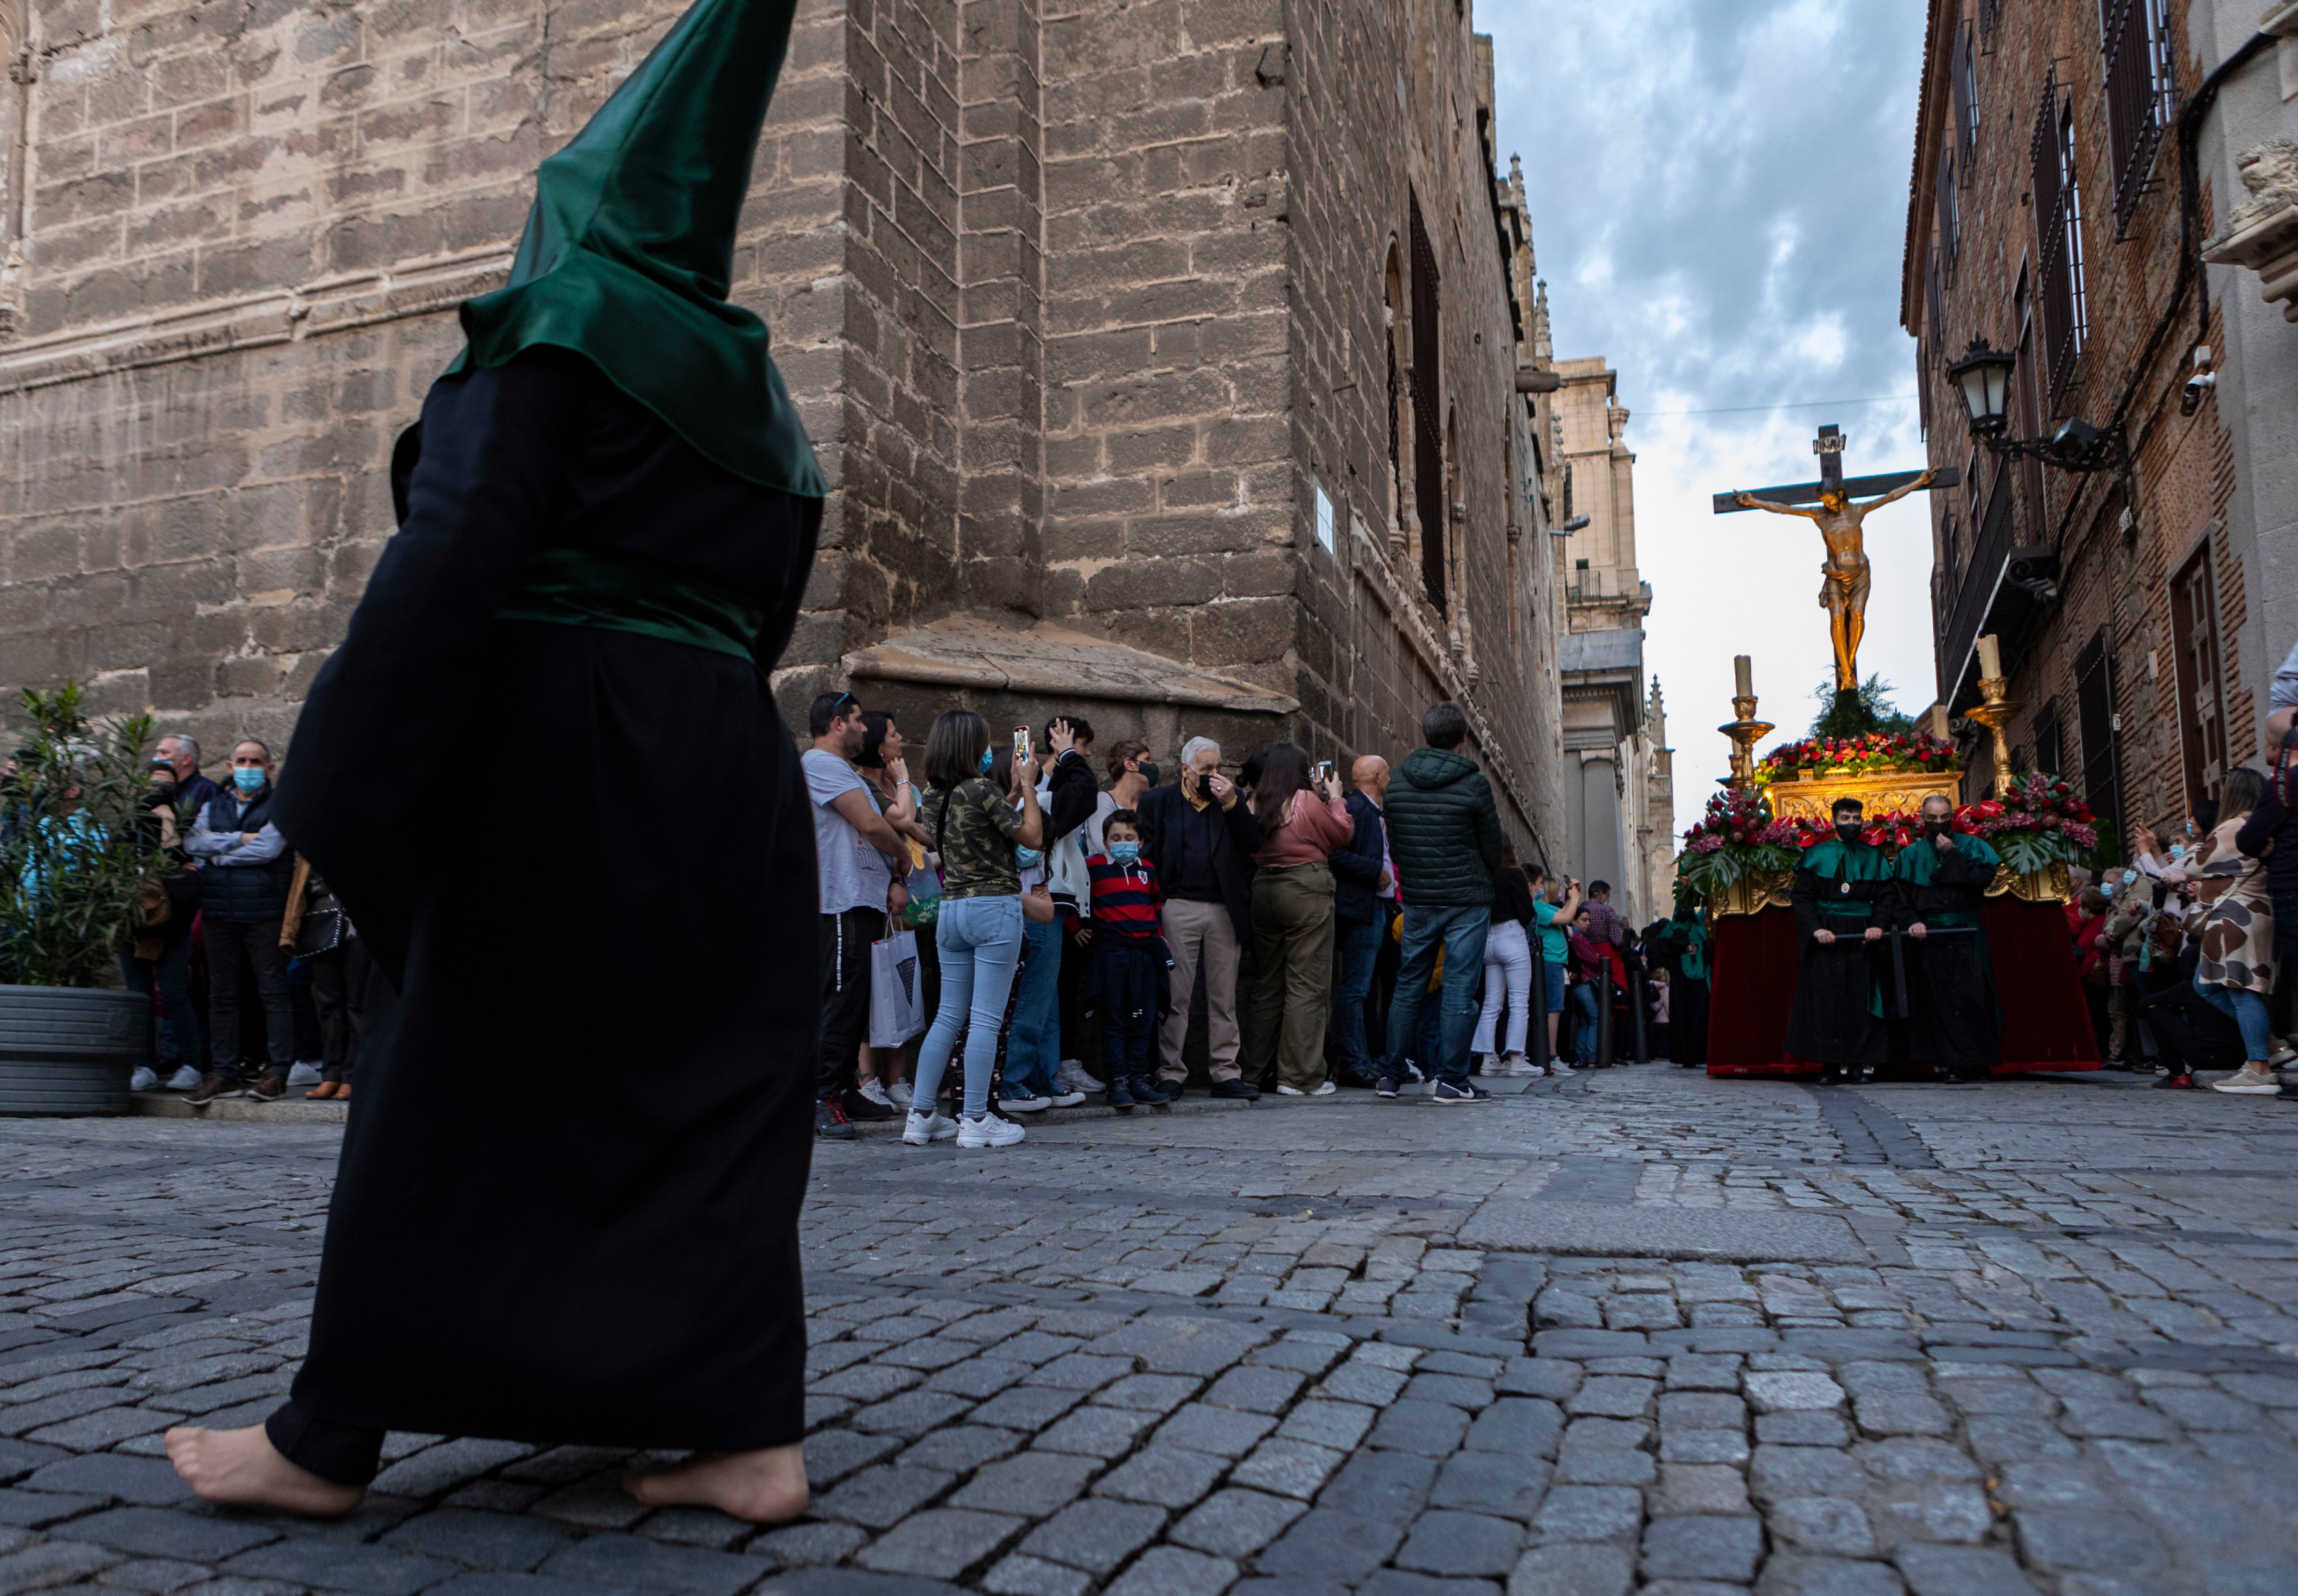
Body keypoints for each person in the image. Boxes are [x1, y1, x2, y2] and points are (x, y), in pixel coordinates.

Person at [163, 0, 825, 1526]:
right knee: (704, 1093)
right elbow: (765, 614)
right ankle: (741, 1430)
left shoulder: (554, 334)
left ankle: (326, 1435)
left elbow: (451, 556)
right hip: (725, 765)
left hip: (552, 761)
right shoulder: (767, 411)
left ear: (572, 215)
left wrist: (343, 776)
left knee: (441, 1070)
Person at [911, 710, 1046, 1145]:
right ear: (973, 746)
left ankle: (921, 1116)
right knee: (985, 1019)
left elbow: (976, 825)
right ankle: (974, 1120)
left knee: (948, 1017)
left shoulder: (932, 795)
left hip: (951, 910)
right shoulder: (981, 788)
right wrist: (1027, 784)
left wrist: (1008, 790)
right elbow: (1031, 837)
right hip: (993, 908)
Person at [1376, 703, 1503, 1103]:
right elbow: (1492, 845)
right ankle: (1451, 1078)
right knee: (1459, 987)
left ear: (1425, 734)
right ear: (1463, 740)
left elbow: (1395, 843)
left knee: (1410, 981)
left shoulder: (1396, 785)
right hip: (1467, 897)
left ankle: (1391, 1073)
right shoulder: (1474, 784)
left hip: (1419, 897)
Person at [805, 691, 914, 1139]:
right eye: (856, 720)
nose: (864, 728)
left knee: (856, 1003)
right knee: (840, 999)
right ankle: (820, 1096)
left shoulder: (841, 769)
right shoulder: (820, 764)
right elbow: (871, 825)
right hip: (840, 901)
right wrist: (902, 857)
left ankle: (845, 1087)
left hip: (862, 899)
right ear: (836, 724)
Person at [1137, 737, 1261, 1099]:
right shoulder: (1159, 802)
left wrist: (1233, 803)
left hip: (1224, 908)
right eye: (1206, 769)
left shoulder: (1231, 803)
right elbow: (1148, 853)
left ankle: (1225, 1072)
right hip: (1178, 905)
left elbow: (1254, 844)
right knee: (1176, 995)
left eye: (1219, 768)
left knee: (1224, 996)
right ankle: (1171, 1072)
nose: (1214, 775)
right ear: (1186, 770)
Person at [182, 741, 298, 1105]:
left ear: (270, 768)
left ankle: (278, 1071)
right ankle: (225, 1072)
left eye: (257, 762)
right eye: (242, 761)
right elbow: (193, 844)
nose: (249, 767)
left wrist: (221, 854)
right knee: (221, 996)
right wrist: (239, 839)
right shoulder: (211, 806)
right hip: (220, 912)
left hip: (265, 911)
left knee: (273, 992)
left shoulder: (282, 805)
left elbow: (270, 849)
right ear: (230, 766)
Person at [1242, 745, 1353, 1096]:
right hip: (1305, 888)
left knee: (1268, 983)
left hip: (1264, 889)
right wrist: (1335, 799)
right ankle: (1299, 1076)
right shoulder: (1304, 799)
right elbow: (1341, 835)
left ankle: (1252, 1073)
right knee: (1308, 983)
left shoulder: (1254, 802)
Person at [1005, 718, 1096, 1111]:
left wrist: (1061, 759)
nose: (1086, 755)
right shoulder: (1036, 794)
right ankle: (1013, 1081)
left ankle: (1042, 1076)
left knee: (1047, 998)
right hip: (1034, 897)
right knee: (1032, 995)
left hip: (1054, 900)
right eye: (1083, 746)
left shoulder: (1045, 787)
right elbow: (1084, 794)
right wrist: (1065, 754)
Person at [2173, 766, 2279, 1095]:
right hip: (2257, 911)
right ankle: (2271, 1046)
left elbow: (2191, 865)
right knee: (2209, 987)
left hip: (2236, 918)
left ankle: (2260, 1066)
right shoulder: (2262, 823)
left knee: (2240, 990)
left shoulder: (2233, 826)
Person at [1887, 794, 2004, 1083]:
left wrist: (1953, 855)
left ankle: (1979, 1060)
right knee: (1938, 997)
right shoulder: (1909, 856)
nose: (1939, 823)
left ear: (1953, 816)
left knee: (1974, 994)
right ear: (1922, 819)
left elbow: (1981, 881)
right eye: (1932, 818)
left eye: (1944, 817)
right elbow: (1901, 899)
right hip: (1932, 935)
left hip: (1967, 931)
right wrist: (1913, 921)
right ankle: (1952, 1062)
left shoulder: (1974, 847)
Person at [855, 710, 933, 1113]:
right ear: (878, 745)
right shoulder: (866, 783)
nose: (901, 738)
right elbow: (903, 819)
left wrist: (908, 817)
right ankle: (867, 1079)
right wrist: (903, 782)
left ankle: (897, 1078)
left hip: (907, 896)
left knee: (903, 981)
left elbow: (919, 829)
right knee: (872, 985)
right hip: (876, 894)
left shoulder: (891, 784)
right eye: (893, 734)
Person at [1785, 797, 1890, 1083]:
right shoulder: (1817, 855)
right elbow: (1803, 898)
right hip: (1827, 933)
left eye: (1857, 818)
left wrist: (1878, 926)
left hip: (1862, 933)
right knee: (1825, 999)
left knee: (1861, 999)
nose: (1852, 824)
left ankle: (1858, 1066)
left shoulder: (1875, 857)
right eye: (1846, 818)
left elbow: (1885, 898)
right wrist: (1816, 929)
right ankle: (1829, 1066)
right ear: (1834, 821)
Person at [123, 760, 206, 1092]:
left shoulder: (183, 821)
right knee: (137, 997)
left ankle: (192, 1065)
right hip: (135, 922)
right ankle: (145, 1065)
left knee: (174, 994)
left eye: (166, 786)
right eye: (153, 784)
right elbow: (117, 854)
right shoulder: (130, 823)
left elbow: (176, 864)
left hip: (171, 924)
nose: (159, 791)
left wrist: (167, 822)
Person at [1082, 811, 1165, 1107]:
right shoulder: (1094, 867)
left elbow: (1156, 907)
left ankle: (1139, 1079)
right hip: (1112, 955)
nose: (1123, 843)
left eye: (1129, 839)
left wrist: (1159, 937)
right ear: (1105, 842)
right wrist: (1076, 928)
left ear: (1140, 842)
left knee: (1142, 1019)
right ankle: (1117, 1082)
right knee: (1115, 1020)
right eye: (1116, 839)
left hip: (1144, 955)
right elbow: (1077, 898)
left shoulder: (1149, 870)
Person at [1329, 755, 1390, 1087]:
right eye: (1388, 776)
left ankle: (1364, 1059)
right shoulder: (1359, 808)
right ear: (1378, 777)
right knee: (1355, 988)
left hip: (1372, 908)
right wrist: (1375, 872)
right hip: (1361, 909)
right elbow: (1336, 854)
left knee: (1363, 990)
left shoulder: (1369, 810)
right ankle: (1354, 1062)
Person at [1471, 843, 1536, 1076]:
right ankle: (1517, 1059)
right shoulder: (1514, 874)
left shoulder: (1483, 873)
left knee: (1491, 1002)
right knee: (1519, 1001)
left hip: (1489, 939)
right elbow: (1527, 913)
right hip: (1511, 935)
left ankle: (1488, 1058)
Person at [1529, 868, 1581, 1074]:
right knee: (1554, 1010)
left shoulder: (1543, 906)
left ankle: (1551, 1056)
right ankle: (1551, 1057)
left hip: (1555, 962)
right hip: (1549, 961)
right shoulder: (1536, 908)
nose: (1543, 887)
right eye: (1540, 883)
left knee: (1556, 1009)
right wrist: (1575, 899)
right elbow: (1567, 918)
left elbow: (1563, 913)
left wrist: (1571, 898)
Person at [1660, 896, 1708, 1067]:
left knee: (1700, 1015)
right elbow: (1665, 950)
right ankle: (1686, 1056)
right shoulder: (1671, 930)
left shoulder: (1700, 928)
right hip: (1681, 980)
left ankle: (1699, 1054)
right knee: (1683, 1016)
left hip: (1700, 978)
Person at [156, 733, 222, 826]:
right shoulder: (161, 787)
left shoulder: (206, 789)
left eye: (164, 753)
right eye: (157, 752)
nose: (156, 758)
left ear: (186, 759)